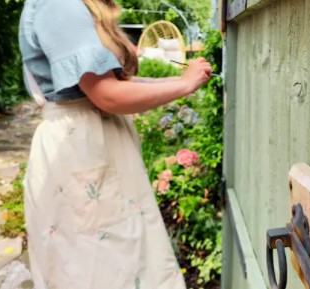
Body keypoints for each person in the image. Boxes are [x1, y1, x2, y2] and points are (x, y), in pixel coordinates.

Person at [18, 0, 212, 288]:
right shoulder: (61, 5)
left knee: (114, 263)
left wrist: (183, 80)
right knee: (102, 268)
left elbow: (114, 84)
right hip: (81, 148)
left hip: (86, 145)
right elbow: (106, 94)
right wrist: (184, 85)